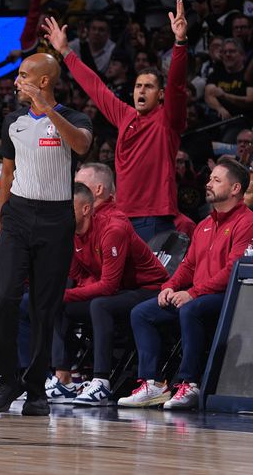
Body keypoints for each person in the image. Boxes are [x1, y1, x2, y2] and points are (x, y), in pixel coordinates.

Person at [0, 52, 92, 416]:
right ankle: (5, 378)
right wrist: (0, 223)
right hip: (17, 215)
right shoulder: (12, 121)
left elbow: (80, 145)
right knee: (5, 297)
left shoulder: (74, 118)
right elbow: (7, 173)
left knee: (45, 308)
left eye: (23, 75)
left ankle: (36, 388)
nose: (16, 81)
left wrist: (48, 110)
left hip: (55, 218)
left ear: (43, 81)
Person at [43, 0, 188, 242]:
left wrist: (180, 43)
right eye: (138, 86)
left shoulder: (167, 119)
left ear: (161, 95)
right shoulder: (125, 115)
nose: (141, 91)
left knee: (148, 281)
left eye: (149, 87)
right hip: (121, 215)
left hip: (154, 216)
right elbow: (96, 87)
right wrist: (66, 52)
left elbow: (177, 85)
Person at [120, 159, 253, 410]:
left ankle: (190, 383)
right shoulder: (204, 225)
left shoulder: (247, 222)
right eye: (210, 178)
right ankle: (153, 384)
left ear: (235, 189)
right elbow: (188, 266)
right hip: (198, 296)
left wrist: (192, 292)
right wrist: (169, 286)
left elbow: (233, 270)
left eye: (216, 180)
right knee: (142, 313)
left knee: (192, 309)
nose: (208, 183)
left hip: (229, 299)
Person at [47, 183, 168, 406]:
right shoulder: (69, 233)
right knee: (62, 306)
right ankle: (63, 378)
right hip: (122, 290)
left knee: (98, 305)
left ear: (85, 209)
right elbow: (80, 277)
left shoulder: (112, 230)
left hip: (149, 289)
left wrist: (62, 294)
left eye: (67, 207)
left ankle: (101, 382)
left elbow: (108, 286)